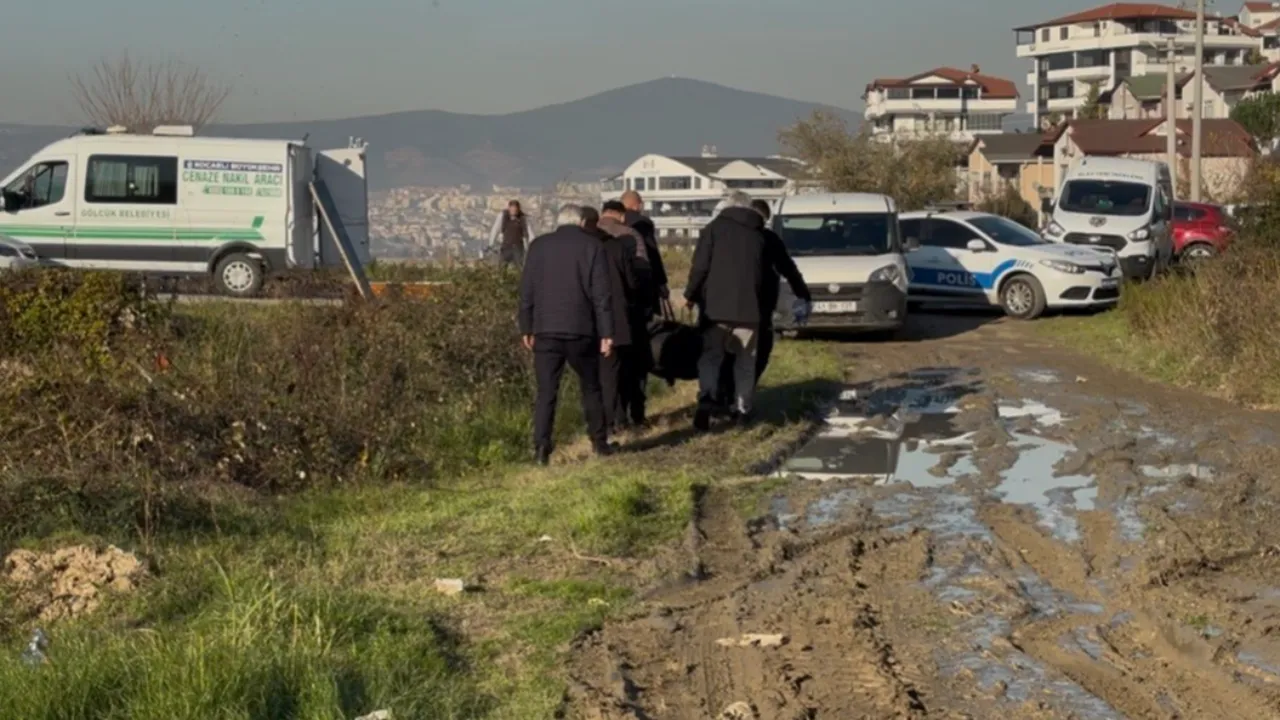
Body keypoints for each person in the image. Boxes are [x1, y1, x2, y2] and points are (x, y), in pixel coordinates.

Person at [519, 204, 615, 465]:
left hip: (545, 329)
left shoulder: (538, 246)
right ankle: (599, 442)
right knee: (591, 387)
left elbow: (527, 290)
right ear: (582, 222)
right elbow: (601, 294)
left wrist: (526, 326)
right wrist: (607, 333)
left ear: (558, 221)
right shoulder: (593, 246)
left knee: (546, 392)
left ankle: (541, 449)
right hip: (581, 329)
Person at [684, 191, 772, 431]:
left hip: (716, 310)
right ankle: (742, 410)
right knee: (745, 361)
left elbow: (700, 267)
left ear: (727, 206)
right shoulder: (759, 234)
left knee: (711, 357)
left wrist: (690, 295)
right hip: (750, 310)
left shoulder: (713, 229)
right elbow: (766, 276)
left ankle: (706, 400)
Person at [716, 199, 811, 406]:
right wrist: (803, 295)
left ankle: (722, 398)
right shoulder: (767, 238)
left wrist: (695, 296)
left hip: (720, 307)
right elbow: (788, 268)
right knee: (754, 356)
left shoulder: (724, 236)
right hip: (758, 308)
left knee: (724, 356)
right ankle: (738, 402)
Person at [597, 200, 652, 428]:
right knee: (631, 367)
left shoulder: (589, 237)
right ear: (621, 215)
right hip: (627, 314)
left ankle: (609, 419)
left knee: (604, 373)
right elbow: (642, 273)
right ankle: (633, 414)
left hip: (594, 317)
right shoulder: (630, 235)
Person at [489, 200, 534, 268]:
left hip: (518, 248)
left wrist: (532, 246)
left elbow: (530, 233)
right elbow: (495, 229)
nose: (514, 211)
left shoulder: (523, 218)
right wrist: (491, 243)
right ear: (509, 208)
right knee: (502, 268)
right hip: (505, 247)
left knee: (519, 268)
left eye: (515, 209)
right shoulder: (503, 216)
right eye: (512, 209)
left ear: (518, 209)